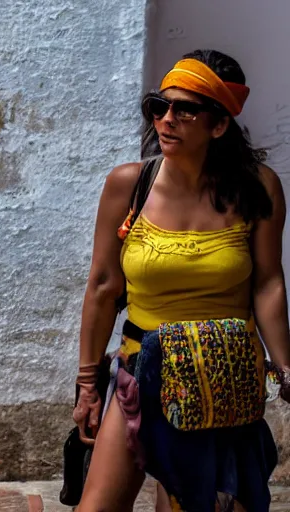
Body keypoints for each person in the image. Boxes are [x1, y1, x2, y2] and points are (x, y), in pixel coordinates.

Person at [73, 49, 290, 512]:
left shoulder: (259, 188)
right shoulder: (129, 185)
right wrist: (88, 386)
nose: (166, 119)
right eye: (159, 106)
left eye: (184, 109)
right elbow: (104, 287)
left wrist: (284, 366)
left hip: (220, 376)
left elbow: (268, 283)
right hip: (139, 372)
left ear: (218, 125)